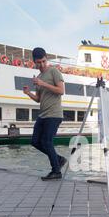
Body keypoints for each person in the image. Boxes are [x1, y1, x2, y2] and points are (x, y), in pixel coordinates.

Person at [23, 48, 67, 181]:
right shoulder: (38, 78)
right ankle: (58, 159)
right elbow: (39, 99)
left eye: (43, 61)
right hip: (43, 114)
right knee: (35, 141)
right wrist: (28, 93)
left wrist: (43, 83)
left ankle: (56, 171)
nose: (41, 64)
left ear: (46, 59)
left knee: (47, 142)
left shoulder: (54, 71)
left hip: (54, 114)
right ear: (34, 62)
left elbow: (61, 90)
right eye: (38, 62)